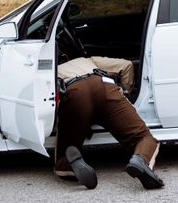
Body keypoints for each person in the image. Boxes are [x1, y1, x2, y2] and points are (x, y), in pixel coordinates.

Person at [54, 56, 164, 189]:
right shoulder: (87, 60)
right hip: (104, 86)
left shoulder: (53, 69)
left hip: (75, 91)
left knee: (65, 151)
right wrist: (127, 92)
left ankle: (67, 165)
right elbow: (126, 65)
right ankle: (141, 159)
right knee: (143, 137)